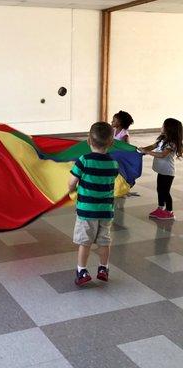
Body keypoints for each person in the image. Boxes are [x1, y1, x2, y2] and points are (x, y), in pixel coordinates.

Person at [69, 122, 119, 286]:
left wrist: (72, 189)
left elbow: (72, 181)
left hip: (87, 211)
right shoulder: (113, 163)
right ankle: (103, 268)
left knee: (85, 242)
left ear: (88, 140)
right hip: (105, 211)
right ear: (111, 142)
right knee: (104, 241)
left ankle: (82, 270)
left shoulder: (83, 160)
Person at [138, 118, 182, 220]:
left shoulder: (171, 143)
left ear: (169, 129)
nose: (161, 127)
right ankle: (160, 208)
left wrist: (147, 152)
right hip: (161, 171)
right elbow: (152, 146)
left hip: (168, 172)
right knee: (159, 189)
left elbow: (162, 155)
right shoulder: (162, 139)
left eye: (163, 126)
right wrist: (143, 149)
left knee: (165, 191)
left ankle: (169, 212)